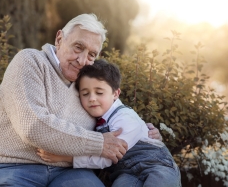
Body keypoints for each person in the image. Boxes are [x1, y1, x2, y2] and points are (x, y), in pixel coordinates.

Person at [0, 13, 162, 187]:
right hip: (13, 167)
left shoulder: (86, 86)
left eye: (91, 54)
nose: (82, 60)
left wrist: (145, 134)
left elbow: (113, 117)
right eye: (78, 47)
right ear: (59, 39)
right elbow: (32, 126)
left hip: (70, 172)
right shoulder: (30, 61)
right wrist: (98, 143)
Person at [37, 59, 181, 187]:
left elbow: (107, 157)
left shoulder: (124, 117)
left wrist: (65, 158)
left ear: (115, 94)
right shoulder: (95, 120)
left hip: (156, 166)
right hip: (126, 173)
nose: (92, 98)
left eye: (99, 93)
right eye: (85, 94)